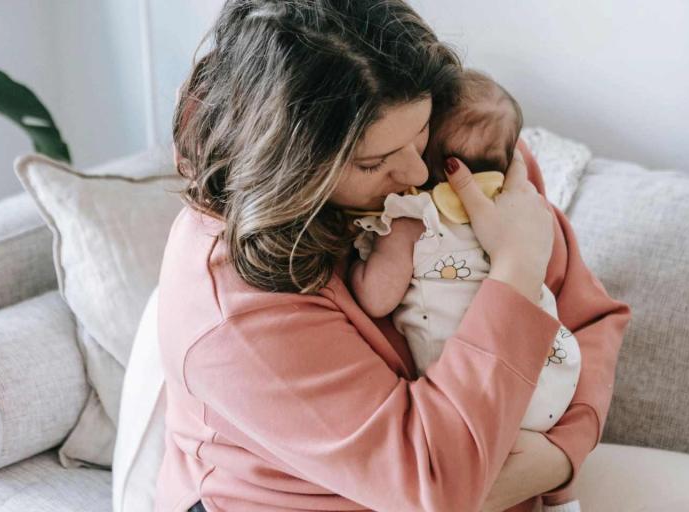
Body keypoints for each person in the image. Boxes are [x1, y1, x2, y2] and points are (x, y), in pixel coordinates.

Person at [155, 1, 632, 511]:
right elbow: (434, 481)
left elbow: (591, 318)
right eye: (373, 162)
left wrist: (563, 453)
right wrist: (516, 269)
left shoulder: (464, 158)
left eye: (420, 130)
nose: (414, 174)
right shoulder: (234, 303)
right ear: (289, 167)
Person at [347, 69, 583, 510]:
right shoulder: (519, 205)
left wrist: (360, 264)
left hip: (478, 390)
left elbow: (376, 298)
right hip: (557, 368)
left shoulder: (410, 217)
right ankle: (563, 499)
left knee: (494, 453)